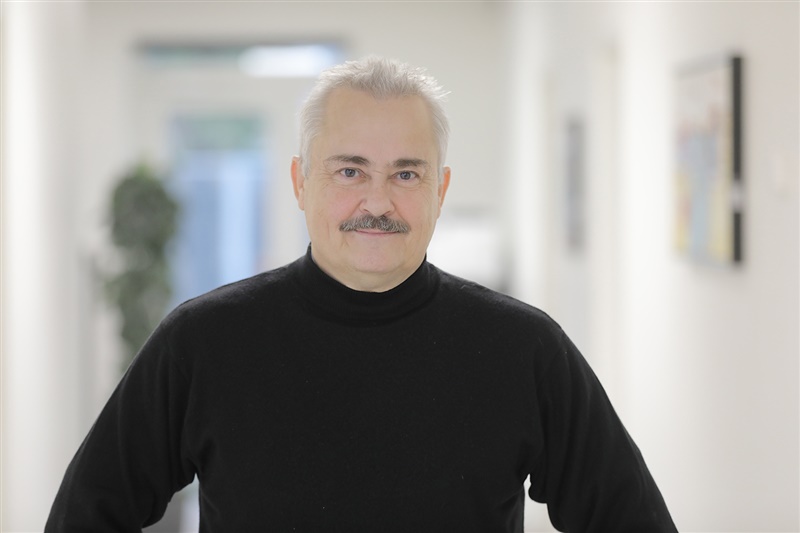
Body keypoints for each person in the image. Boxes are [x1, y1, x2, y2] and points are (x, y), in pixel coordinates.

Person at [46, 56, 678, 532]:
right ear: (300, 182)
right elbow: (87, 514)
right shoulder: (203, 342)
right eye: (350, 171)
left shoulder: (524, 349)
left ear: (440, 190)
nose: (378, 201)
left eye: (406, 173)